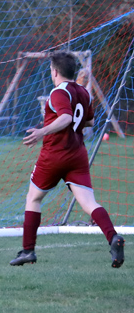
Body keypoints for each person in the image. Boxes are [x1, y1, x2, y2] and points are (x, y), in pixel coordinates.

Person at [9, 51, 124, 268]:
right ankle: (113, 237)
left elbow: (66, 117)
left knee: (33, 198)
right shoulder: (84, 92)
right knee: (89, 203)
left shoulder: (58, 92)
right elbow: (89, 122)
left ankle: (28, 250)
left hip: (54, 154)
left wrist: (42, 131)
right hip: (77, 154)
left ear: (54, 71)